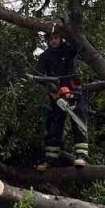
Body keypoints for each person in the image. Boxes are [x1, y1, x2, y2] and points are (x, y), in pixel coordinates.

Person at [35, 26, 89, 170]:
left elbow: (79, 46)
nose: (53, 41)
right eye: (51, 39)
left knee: (79, 121)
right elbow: (40, 77)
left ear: (61, 38)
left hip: (74, 92)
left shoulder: (68, 50)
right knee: (53, 125)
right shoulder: (44, 56)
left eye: (56, 38)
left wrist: (69, 29)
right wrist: (54, 91)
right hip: (57, 95)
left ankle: (81, 156)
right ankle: (50, 160)